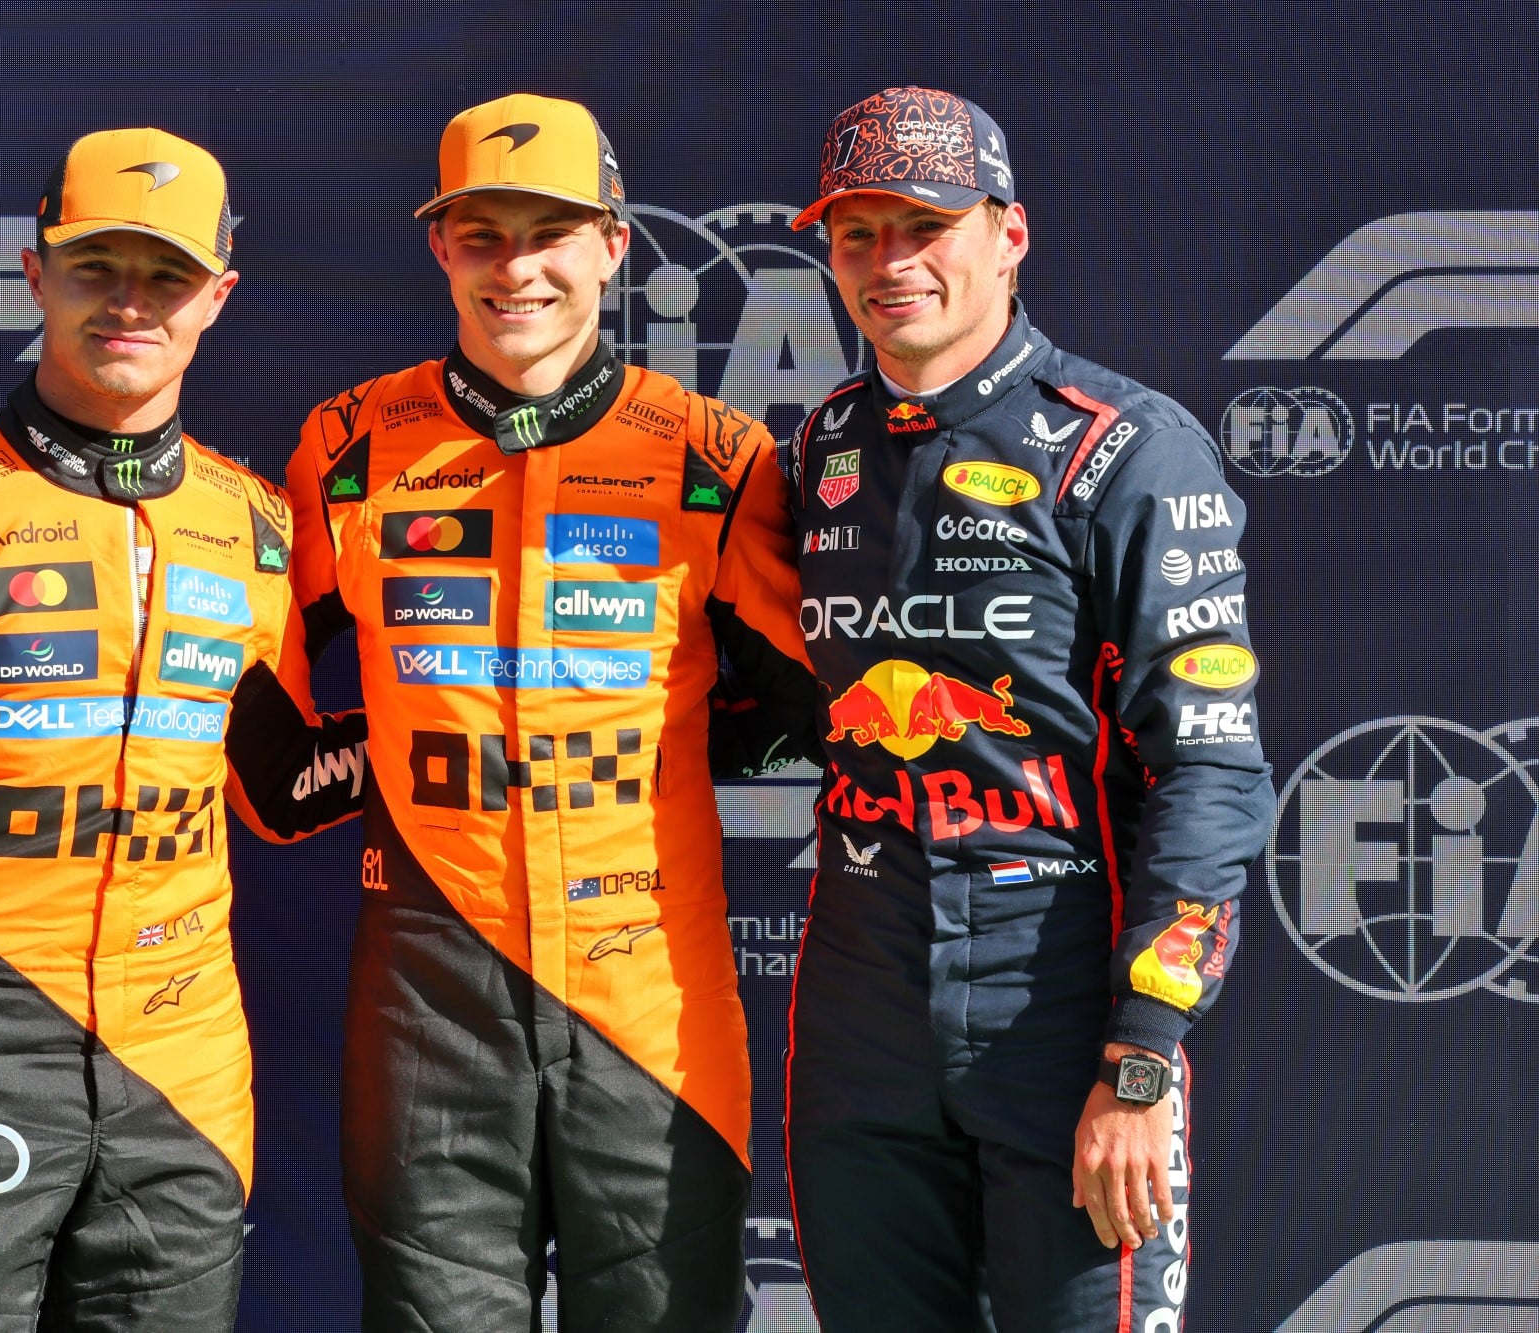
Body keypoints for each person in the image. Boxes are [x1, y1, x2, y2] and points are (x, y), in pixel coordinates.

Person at [0, 126, 365, 1331]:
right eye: (97, 266)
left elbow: (278, 781)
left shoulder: (253, 527)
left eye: (164, 274)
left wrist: (479, 714)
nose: (129, 304)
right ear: (36, 271)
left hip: (186, 1071)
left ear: (219, 294)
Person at [281, 93, 817, 1330]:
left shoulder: (713, 455)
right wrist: (398, 755)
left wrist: (663, 748)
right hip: (428, 995)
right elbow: (265, 715)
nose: (516, 268)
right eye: (481, 235)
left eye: (552, 233)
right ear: (438, 247)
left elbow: (805, 705)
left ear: (613, 245)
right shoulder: (346, 449)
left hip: (650, 994)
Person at [778, 87, 1273, 1331]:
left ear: (1007, 233)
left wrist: (1142, 1051)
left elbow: (1210, 774)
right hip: (857, 1001)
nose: (888, 263)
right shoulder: (819, 449)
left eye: (923, 224)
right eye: (856, 233)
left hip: (1055, 1003)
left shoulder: (1124, 450)